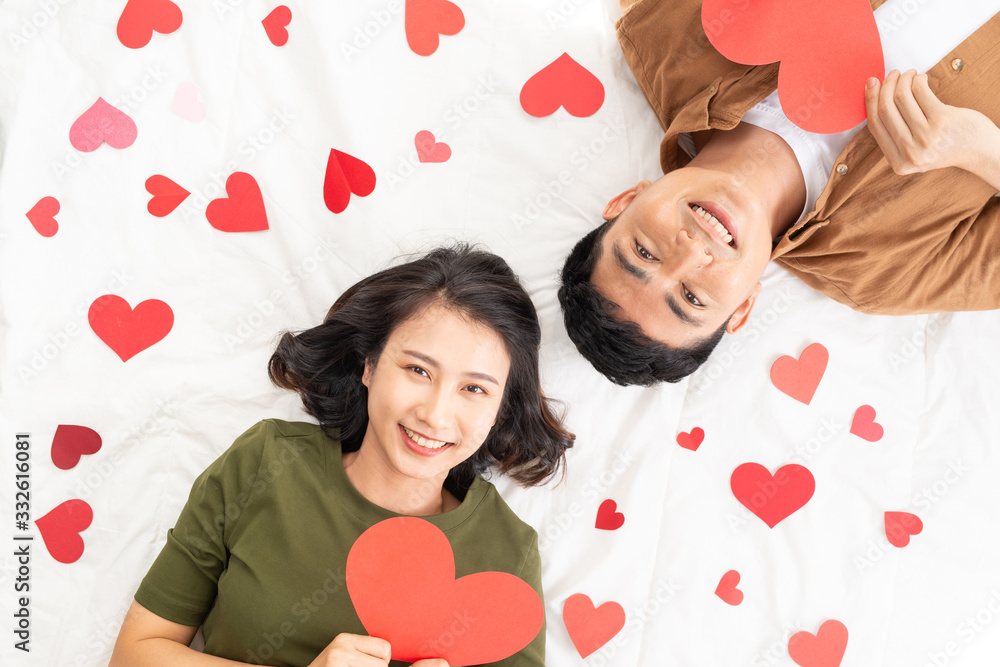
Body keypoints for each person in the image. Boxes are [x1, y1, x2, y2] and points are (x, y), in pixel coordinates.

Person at [108, 245, 575, 667]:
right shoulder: (266, 462)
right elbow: (134, 654)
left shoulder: (508, 555)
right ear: (369, 364)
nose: (435, 415)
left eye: (474, 389)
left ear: (499, 409)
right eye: (417, 369)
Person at [559, 0, 1000, 386]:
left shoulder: (661, 34)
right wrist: (980, 149)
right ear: (744, 306)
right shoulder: (885, 272)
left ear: (625, 201)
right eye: (692, 297)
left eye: (644, 253)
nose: (691, 252)